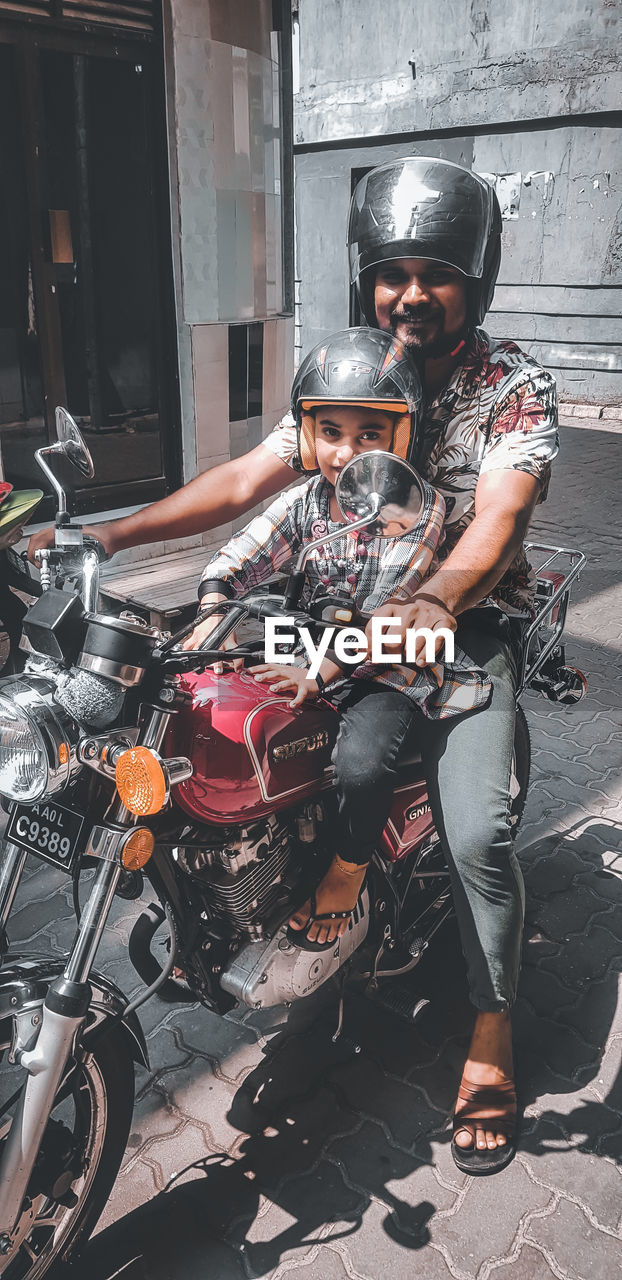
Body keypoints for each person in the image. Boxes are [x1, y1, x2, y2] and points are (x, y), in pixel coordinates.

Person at [27, 157, 558, 1173]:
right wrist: (109, 539)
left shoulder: (509, 384)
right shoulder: (354, 366)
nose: (410, 293)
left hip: (452, 625)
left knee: (481, 832)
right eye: (392, 270)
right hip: (325, 617)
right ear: (367, 276)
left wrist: (433, 599)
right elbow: (247, 480)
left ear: (473, 283)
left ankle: (488, 1041)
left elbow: (498, 518)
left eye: (435, 272)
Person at [195, 324, 493, 956]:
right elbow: (238, 557)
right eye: (331, 432)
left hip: (389, 665)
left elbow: (386, 616)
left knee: (359, 763)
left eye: (369, 434)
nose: (345, 452)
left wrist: (318, 674)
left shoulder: (419, 508)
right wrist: (212, 608)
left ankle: (348, 868)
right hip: (300, 649)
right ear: (308, 433)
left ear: (401, 438)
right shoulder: (306, 501)